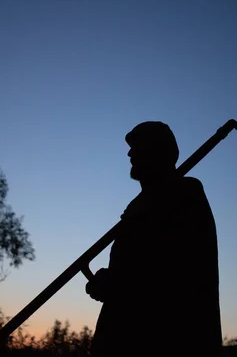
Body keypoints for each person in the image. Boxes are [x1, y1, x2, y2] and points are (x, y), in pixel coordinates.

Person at [86, 121, 222, 357]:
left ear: (159, 151)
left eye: (138, 146)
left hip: (162, 343)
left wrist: (114, 284)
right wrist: (108, 281)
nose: (130, 152)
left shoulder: (185, 194)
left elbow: (179, 276)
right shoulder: (138, 206)